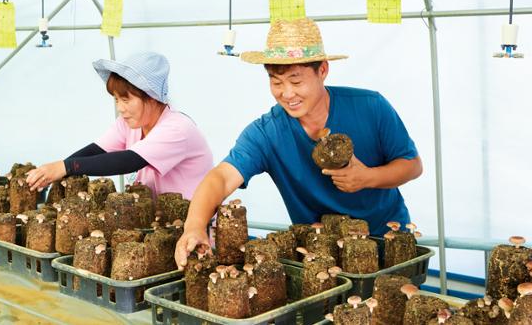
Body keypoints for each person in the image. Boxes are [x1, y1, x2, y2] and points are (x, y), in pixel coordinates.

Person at [175, 18, 422, 268]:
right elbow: (221, 177)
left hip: (388, 244)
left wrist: (366, 177)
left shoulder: (371, 106)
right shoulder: (267, 132)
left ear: (322, 70)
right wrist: (195, 226)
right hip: (321, 257)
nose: (287, 93)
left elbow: (412, 165)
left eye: (296, 81)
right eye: (276, 81)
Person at [26, 52, 214, 200]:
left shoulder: (177, 129)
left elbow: (130, 160)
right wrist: (52, 172)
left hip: (192, 230)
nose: (120, 108)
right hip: (156, 223)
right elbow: (96, 150)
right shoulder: (130, 123)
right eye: (116, 99)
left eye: (126, 99)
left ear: (151, 97)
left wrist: (66, 167)